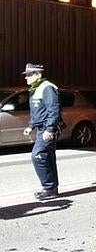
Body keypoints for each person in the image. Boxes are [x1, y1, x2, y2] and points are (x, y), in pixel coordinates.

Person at [21, 63, 63, 200]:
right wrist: (31, 126)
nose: (26, 78)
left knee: (38, 155)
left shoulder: (48, 88)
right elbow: (38, 112)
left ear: (38, 75)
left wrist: (50, 129)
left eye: (29, 75)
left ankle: (48, 187)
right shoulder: (35, 89)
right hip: (41, 127)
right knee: (48, 158)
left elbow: (53, 110)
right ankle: (52, 188)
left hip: (47, 128)